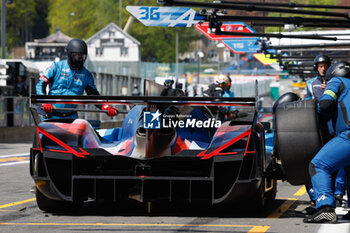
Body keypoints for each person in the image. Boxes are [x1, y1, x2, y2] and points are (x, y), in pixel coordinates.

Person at [303, 61, 350, 223]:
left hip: (348, 136)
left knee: (318, 165)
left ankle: (325, 208)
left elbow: (325, 104)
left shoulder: (336, 82)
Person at [36, 38, 118, 119]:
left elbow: (93, 95)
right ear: (70, 55)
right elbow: (40, 84)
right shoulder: (56, 67)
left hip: (71, 117)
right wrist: (44, 101)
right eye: (77, 56)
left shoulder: (86, 75)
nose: (80, 59)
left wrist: (106, 107)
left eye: (82, 57)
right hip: (51, 116)